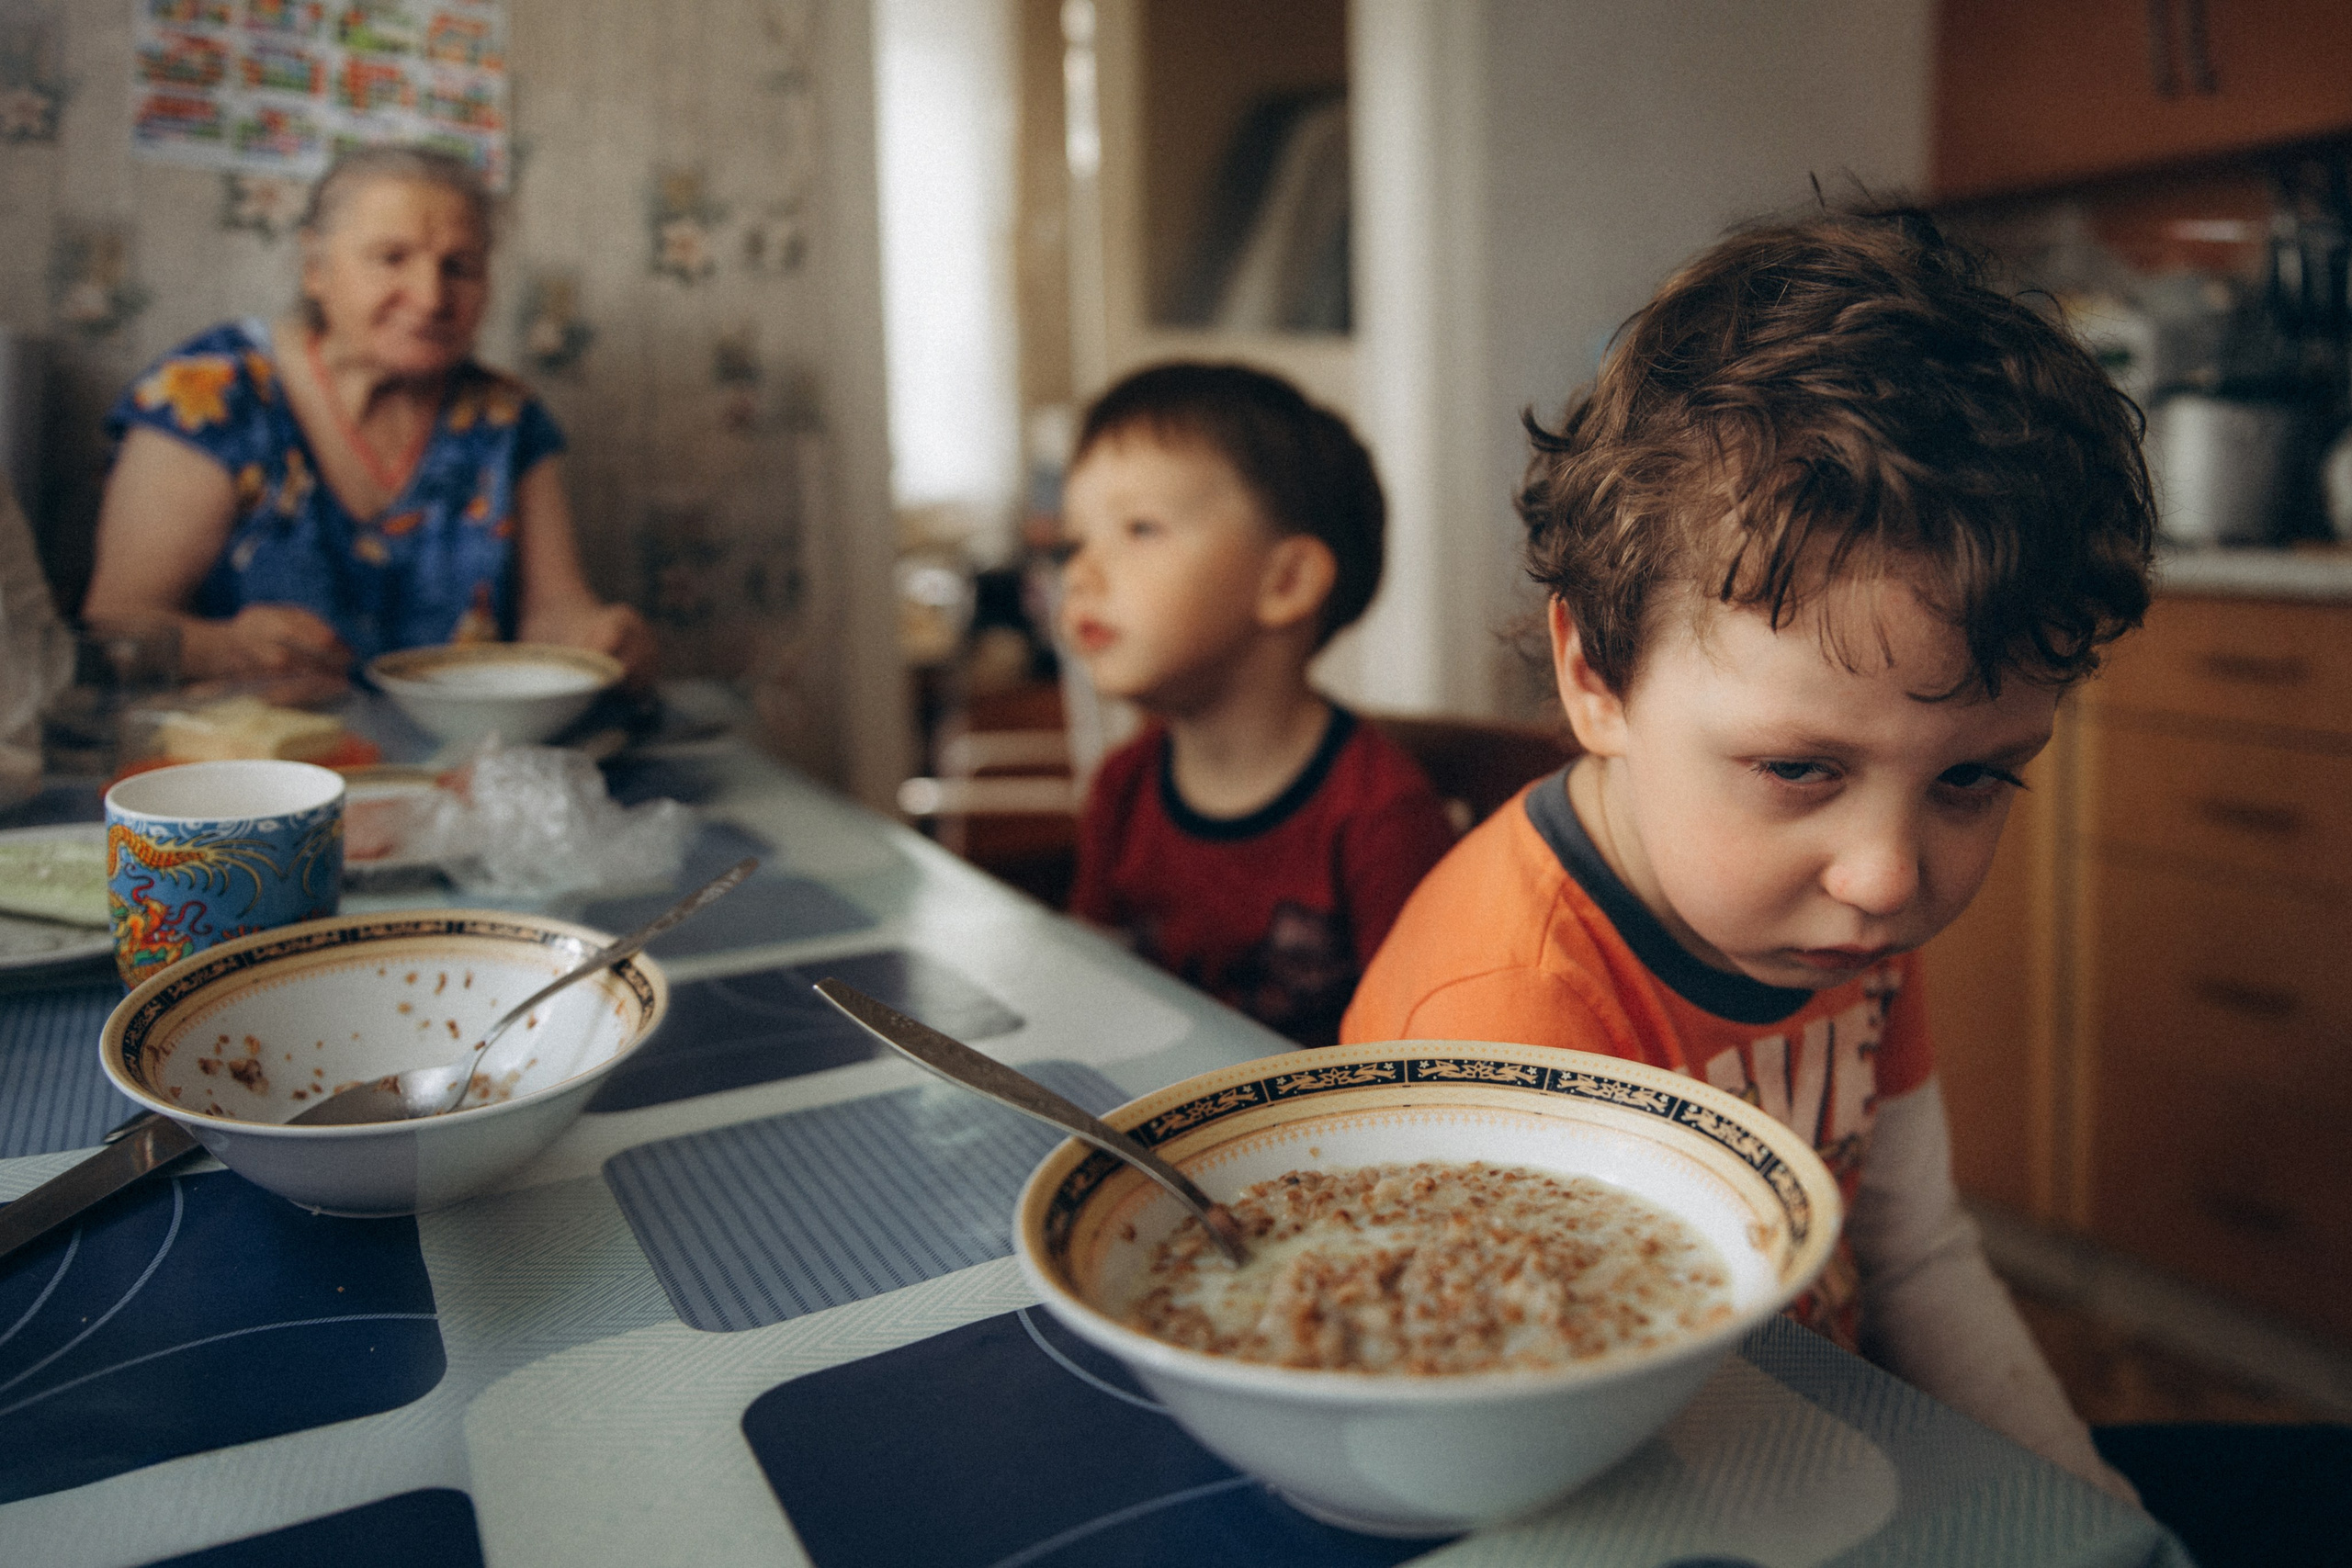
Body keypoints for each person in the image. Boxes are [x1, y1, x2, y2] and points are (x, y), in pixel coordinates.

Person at [1341, 210, 2153, 1501]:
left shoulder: (1829, 919)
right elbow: (1541, 1464)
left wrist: (2077, 1499)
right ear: (1595, 676)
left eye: (1971, 778)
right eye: (1797, 769)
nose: (1888, 877)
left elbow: (1913, 1253)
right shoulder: (1501, 1033)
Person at [84, 145, 652, 683]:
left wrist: (599, 642)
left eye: (460, 267)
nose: (431, 297)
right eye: (391, 258)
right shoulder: (210, 395)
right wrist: (222, 647)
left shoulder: (507, 418)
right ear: (316, 268)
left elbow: (554, 615)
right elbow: (115, 627)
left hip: (458, 749)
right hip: (251, 748)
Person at [1059, 362, 1456, 1045]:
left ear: (1287, 580)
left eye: (1140, 528)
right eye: (1077, 541)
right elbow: (1086, 993)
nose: (1078, 573)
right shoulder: (1123, 786)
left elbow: (1420, 1055)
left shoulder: (1380, 814)